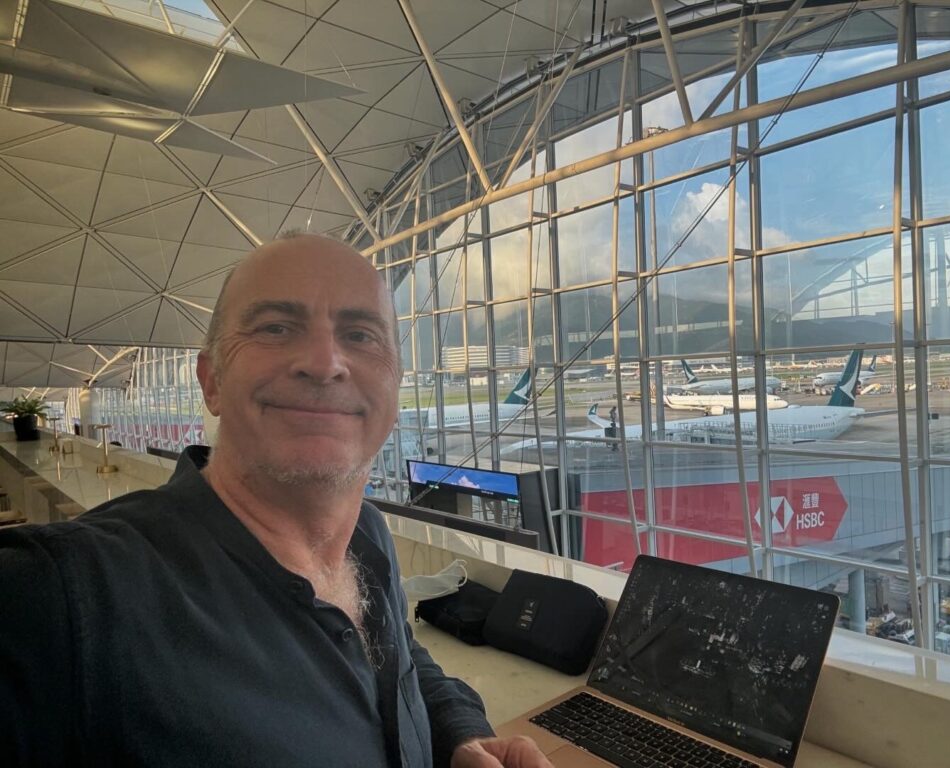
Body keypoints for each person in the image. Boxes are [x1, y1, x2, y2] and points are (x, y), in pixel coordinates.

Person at [0, 234, 550, 768]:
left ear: (395, 381)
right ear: (210, 381)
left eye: (360, 335)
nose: (324, 361)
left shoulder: (368, 534)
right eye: (276, 327)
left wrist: (460, 734)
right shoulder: (65, 595)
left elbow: (396, 661)